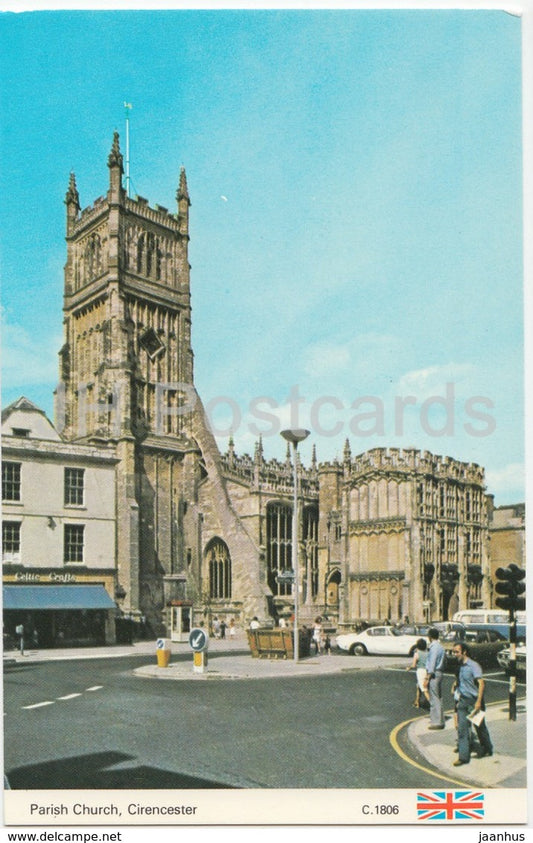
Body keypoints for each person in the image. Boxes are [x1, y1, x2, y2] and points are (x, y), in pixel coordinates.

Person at [452, 641, 493, 766]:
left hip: (474, 701)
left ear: (464, 652)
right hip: (463, 701)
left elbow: (481, 683)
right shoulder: (459, 666)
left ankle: (487, 748)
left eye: (457, 652)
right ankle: (463, 757)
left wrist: (478, 702)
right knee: (462, 730)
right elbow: (460, 680)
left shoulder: (474, 666)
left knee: (480, 728)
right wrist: (455, 686)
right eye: (453, 652)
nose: (455, 654)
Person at [425, 627, 446, 729]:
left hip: (434, 674)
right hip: (440, 672)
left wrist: (427, 678)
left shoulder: (434, 647)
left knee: (434, 698)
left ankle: (437, 722)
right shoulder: (441, 647)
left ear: (430, 636)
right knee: (438, 697)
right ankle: (440, 719)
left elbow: (432, 663)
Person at [405, 638, 430, 708]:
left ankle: (433, 706)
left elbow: (414, 665)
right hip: (427, 671)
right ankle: (417, 702)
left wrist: (409, 668)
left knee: (424, 690)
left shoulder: (417, 654)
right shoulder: (428, 653)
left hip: (421, 671)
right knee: (419, 687)